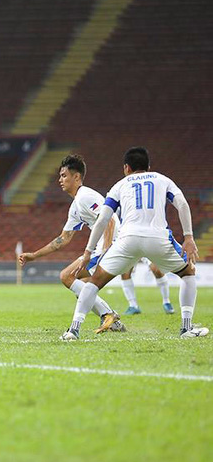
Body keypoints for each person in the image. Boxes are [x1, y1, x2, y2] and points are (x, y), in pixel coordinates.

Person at [64, 146, 208, 340]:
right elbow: (182, 204)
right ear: (148, 166)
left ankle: (73, 330)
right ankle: (186, 328)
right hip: (157, 237)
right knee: (188, 272)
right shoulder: (162, 179)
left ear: (126, 168)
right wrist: (189, 237)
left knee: (95, 282)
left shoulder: (120, 185)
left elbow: (103, 220)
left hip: (127, 239)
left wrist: (89, 251)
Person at [19, 154, 125, 333]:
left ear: (77, 177)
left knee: (66, 276)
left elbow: (109, 220)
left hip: (112, 243)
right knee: (80, 285)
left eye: (64, 175)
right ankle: (111, 319)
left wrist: (106, 250)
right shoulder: (76, 205)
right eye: (60, 176)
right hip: (106, 245)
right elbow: (63, 239)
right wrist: (33, 256)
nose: (60, 180)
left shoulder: (85, 196)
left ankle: (107, 315)